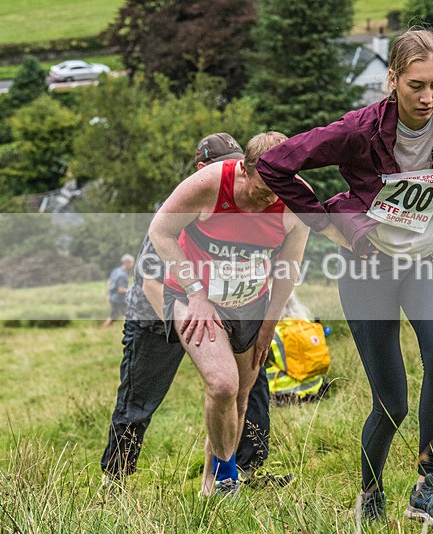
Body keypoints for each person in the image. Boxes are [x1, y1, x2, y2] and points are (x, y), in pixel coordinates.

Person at [256, 28, 433, 525]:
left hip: (426, 263)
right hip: (369, 268)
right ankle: (371, 492)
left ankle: (429, 484)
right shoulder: (360, 129)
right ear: (393, 79)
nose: (428, 98)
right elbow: (275, 163)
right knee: (392, 403)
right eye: (416, 86)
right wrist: (325, 223)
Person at [101, 133, 290, 489]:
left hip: (225, 310)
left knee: (249, 390)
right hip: (158, 316)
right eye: (219, 168)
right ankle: (115, 480)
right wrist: (191, 340)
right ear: (201, 171)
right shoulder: (186, 207)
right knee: (137, 403)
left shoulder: (250, 200)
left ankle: (240, 473)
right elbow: (151, 281)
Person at [149, 131, 309, 496]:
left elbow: (288, 266)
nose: (270, 198)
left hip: (252, 303)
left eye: (278, 189)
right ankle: (225, 478)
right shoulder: (208, 185)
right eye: (262, 188)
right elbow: (160, 231)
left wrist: (270, 324)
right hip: (195, 298)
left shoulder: (297, 199)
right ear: (245, 169)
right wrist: (195, 293)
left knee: (239, 399)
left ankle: (213, 486)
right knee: (222, 385)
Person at [103, 254, 135, 328]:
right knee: (114, 316)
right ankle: (103, 329)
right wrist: (132, 290)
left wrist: (108, 295)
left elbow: (109, 282)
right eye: (132, 262)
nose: (133, 265)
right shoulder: (123, 274)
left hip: (113, 297)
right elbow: (121, 290)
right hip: (119, 299)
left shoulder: (116, 270)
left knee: (118, 316)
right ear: (127, 263)